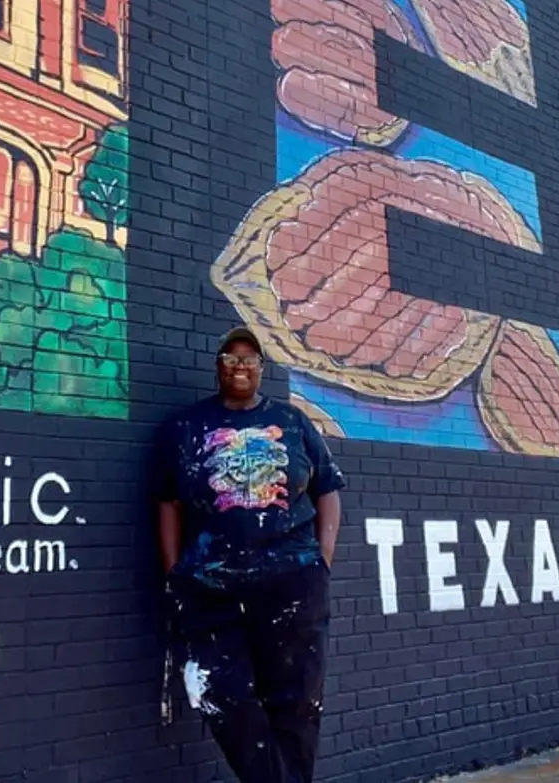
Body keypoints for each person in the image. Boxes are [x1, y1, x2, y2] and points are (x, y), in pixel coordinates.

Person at [154, 326, 346, 783]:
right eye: (231, 358)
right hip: (208, 586)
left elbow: (328, 489)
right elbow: (167, 502)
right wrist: (172, 571)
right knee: (222, 696)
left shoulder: (294, 422)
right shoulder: (184, 427)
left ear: (262, 369)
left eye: (250, 359)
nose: (241, 366)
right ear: (219, 366)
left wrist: (322, 558)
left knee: (297, 700)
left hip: (293, 580)